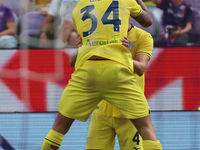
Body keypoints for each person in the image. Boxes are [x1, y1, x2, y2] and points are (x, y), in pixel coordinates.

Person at [41, 0, 162, 150]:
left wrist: (90, 46)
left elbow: (141, 68)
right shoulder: (125, 2)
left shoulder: (79, 8)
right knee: (147, 128)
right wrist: (118, 53)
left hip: (121, 109)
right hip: (106, 102)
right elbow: (148, 21)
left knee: (59, 126)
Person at [69, 23, 156, 150]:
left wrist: (122, 54)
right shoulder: (98, 34)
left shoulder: (143, 36)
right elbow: (72, 61)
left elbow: (141, 69)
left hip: (130, 113)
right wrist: (83, 48)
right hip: (101, 111)